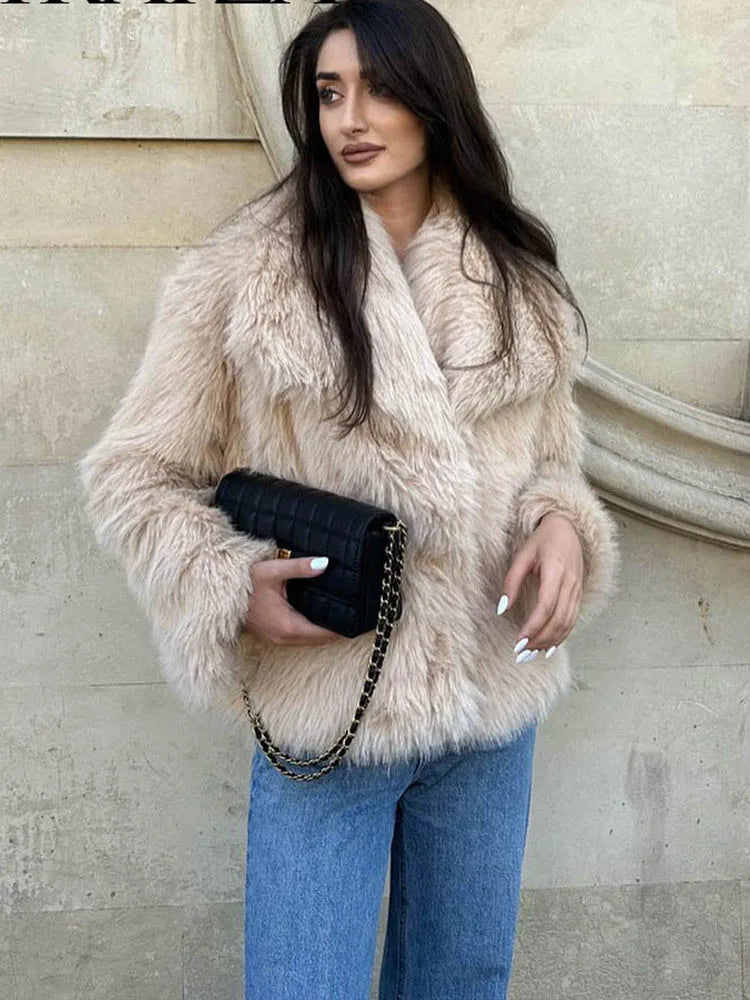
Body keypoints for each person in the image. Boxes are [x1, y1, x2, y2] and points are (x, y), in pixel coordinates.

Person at [77, 1, 620, 997]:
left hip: (491, 705)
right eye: (329, 93)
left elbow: (553, 463)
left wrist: (561, 526)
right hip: (331, 708)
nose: (349, 119)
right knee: (303, 985)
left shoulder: (516, 279)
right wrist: (227, 582)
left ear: (434, 99)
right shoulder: (246, 276)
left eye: (377, 89)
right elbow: (134, 473)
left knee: (464, 979)